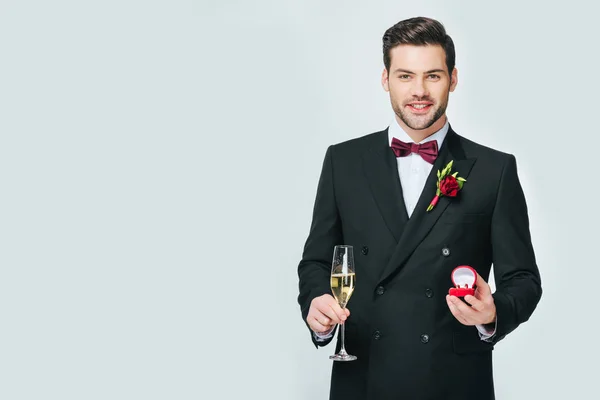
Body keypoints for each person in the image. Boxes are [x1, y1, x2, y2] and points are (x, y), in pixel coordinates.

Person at [297, 16, 542, 400]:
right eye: (405, 76)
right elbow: (315, 262)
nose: (419, 91)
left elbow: (524, 280)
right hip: (363, 376)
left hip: (454, 380)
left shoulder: (494, 170)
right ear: (385, 79)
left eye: (433, 75)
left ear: (453, 79)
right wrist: (317, 306)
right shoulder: (343, 162)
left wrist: (493, 314)